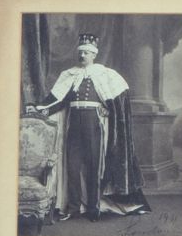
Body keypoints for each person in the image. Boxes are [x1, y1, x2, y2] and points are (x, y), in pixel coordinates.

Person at [27, 34, 148, 222]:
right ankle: (73, 208)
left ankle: (93, 208)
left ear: (94, 55)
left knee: (94, 167)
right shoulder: (69, 75)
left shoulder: (105, 75)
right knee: (72, 167)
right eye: (81, 52)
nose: (82, 55)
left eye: (86, 53)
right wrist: (40, 108)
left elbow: (117, 102)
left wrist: (107, 110)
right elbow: (57, 100)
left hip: (94, 124)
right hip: (73, 124)